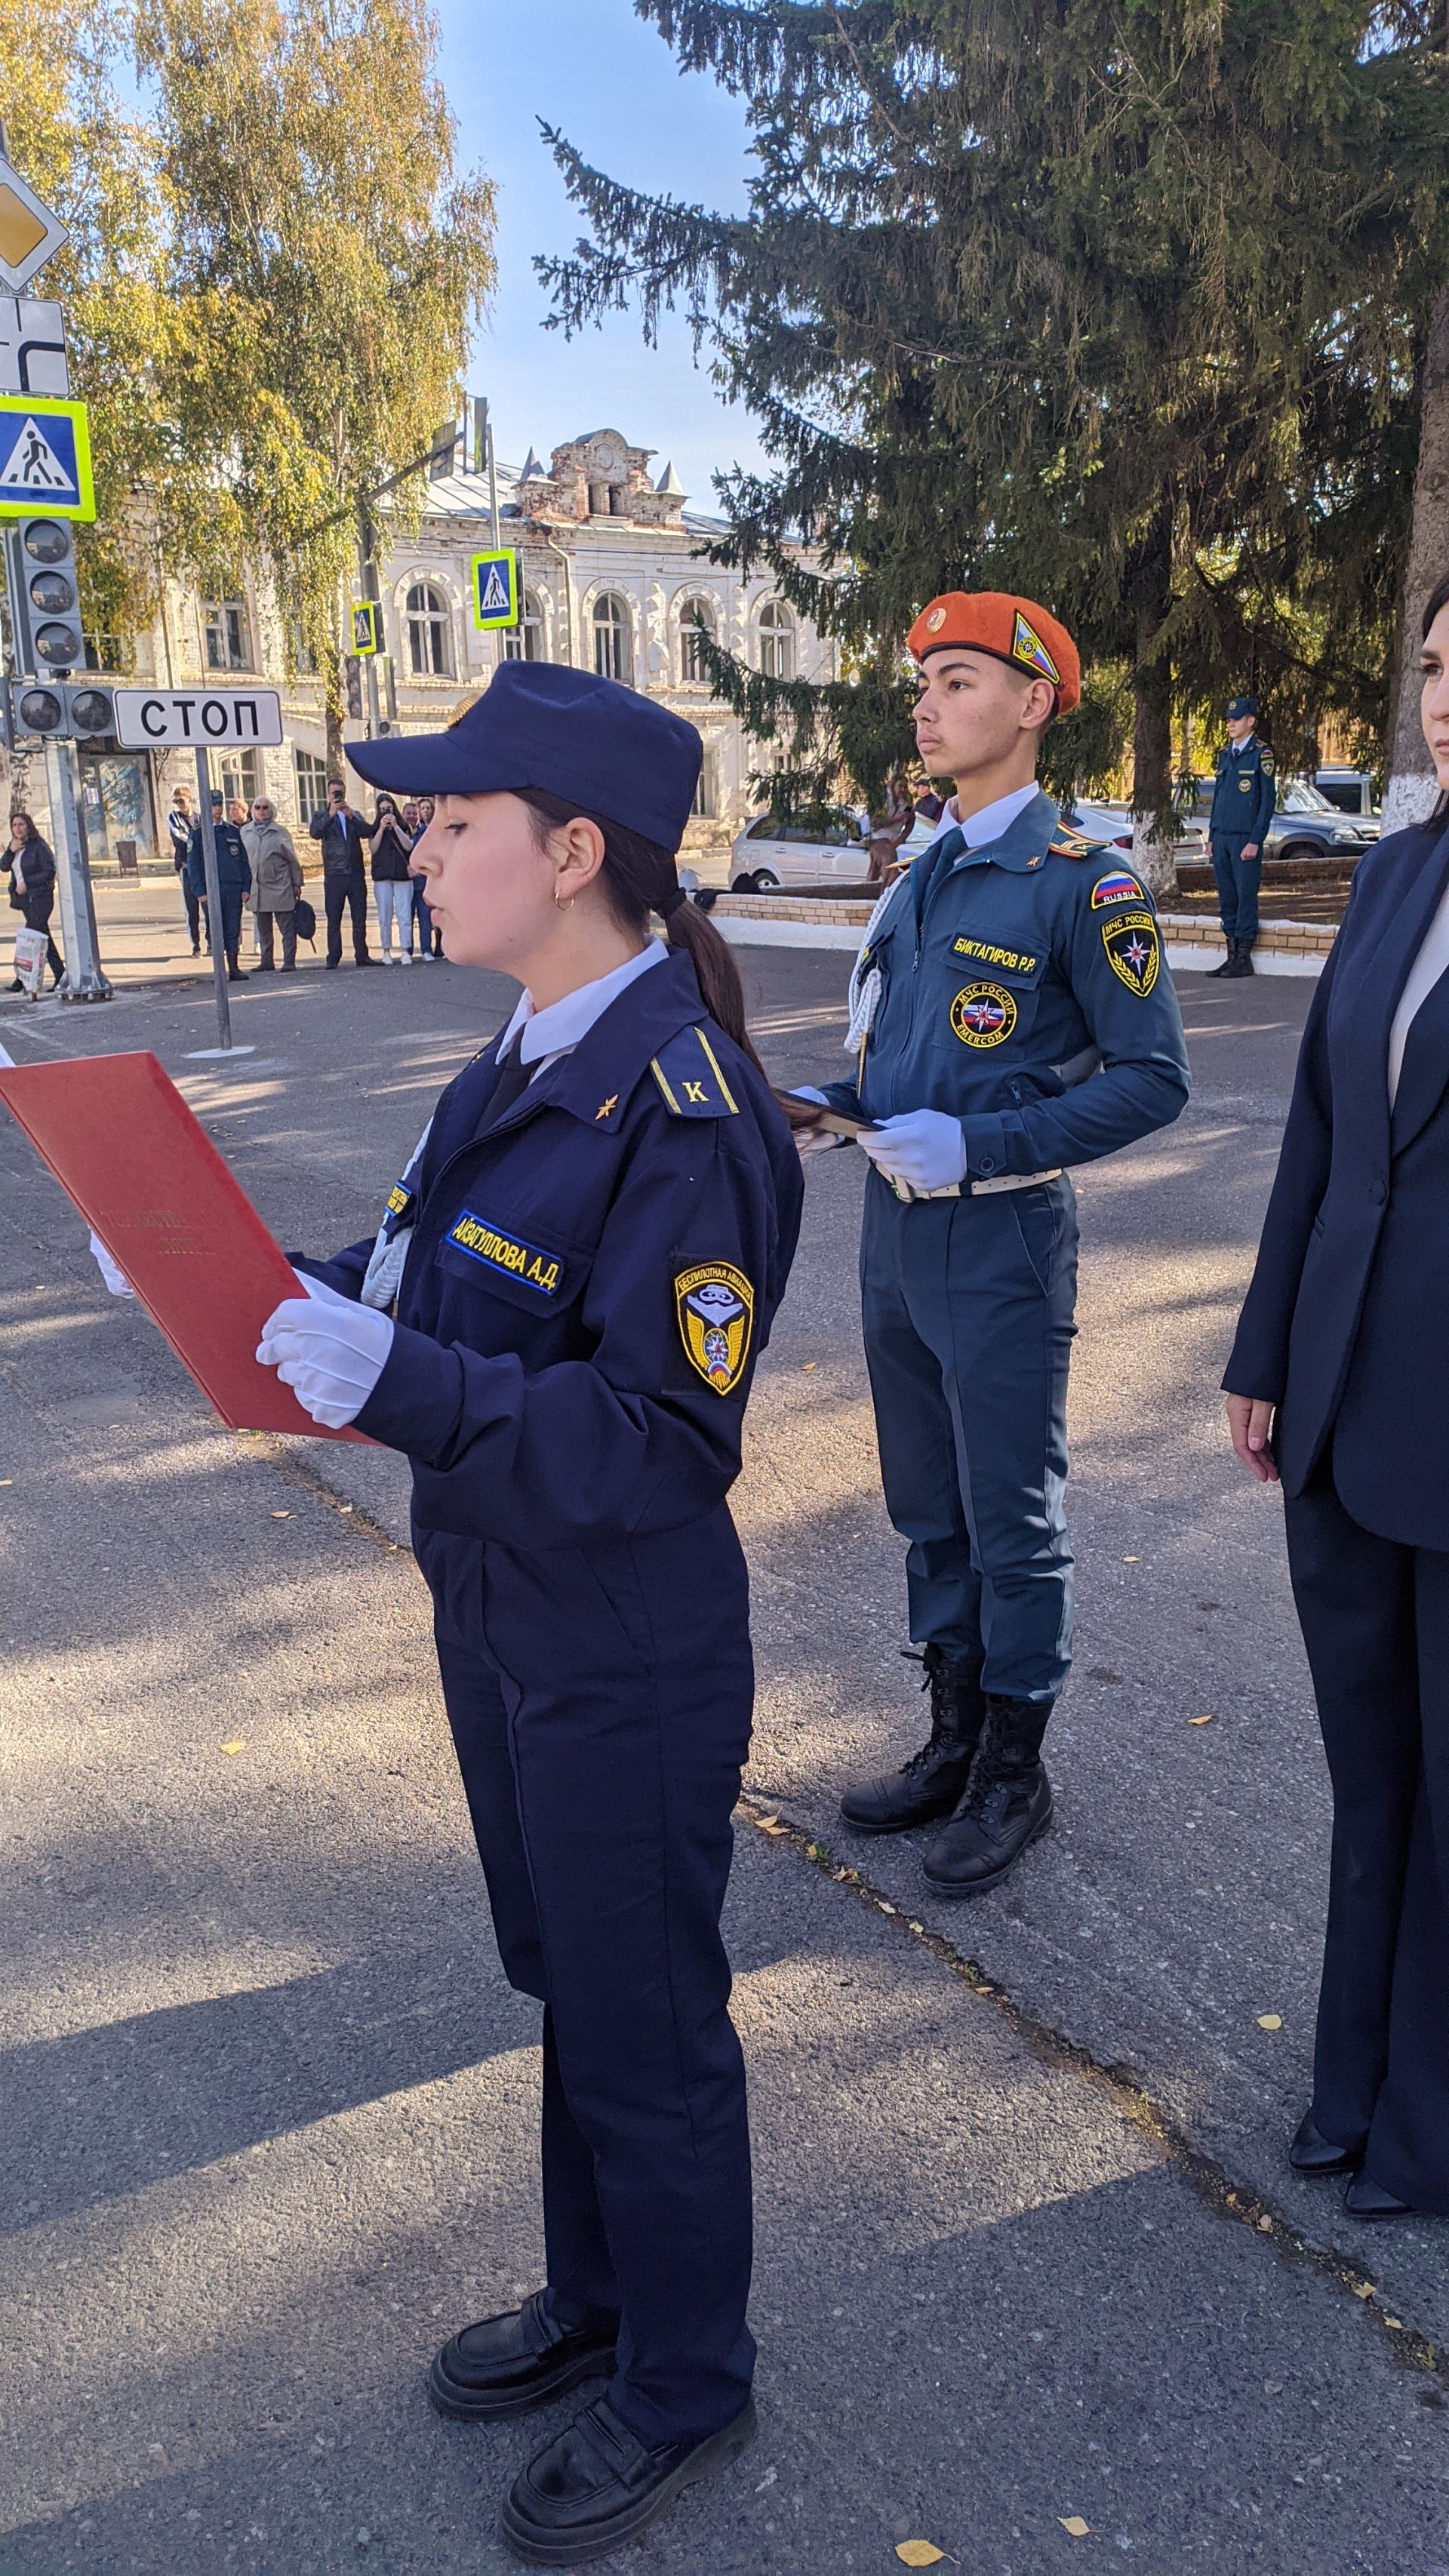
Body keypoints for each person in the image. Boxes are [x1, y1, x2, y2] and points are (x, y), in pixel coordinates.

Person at [254, 663, 802, 2562]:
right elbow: (409, 1273)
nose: (412, 850)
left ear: (572, 853)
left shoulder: (684, 1100)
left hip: (622, 1641)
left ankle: (683, 2372)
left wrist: (391, 1381)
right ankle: (600, 2297)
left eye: (450, 822)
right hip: (497, 1599)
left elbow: (660, 1437)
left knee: (644, 2017)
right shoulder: (518, 1046)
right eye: (419, 821)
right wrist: (239, 1280)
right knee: (571, 1978)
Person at [793, 592, 1190, 1897]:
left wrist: (986, 1147)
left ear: (1034, 704)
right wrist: (836, 1109)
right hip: (893, 1239)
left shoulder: (1084, 881)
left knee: (1012, 1516)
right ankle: (954, 1736)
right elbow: (899, 1049)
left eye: (959, 679)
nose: (927, 701)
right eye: (924, 679)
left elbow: (1151, 1080)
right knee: (928, 1505)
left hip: (1002, 1238)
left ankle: (1019, 1771)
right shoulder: (923, 874)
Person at [1223, 570, 1449, 2222]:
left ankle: (1431, 2130)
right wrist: (1262, 1352)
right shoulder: (1393, 877)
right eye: (1435, 663)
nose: (1444, 696)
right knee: (1374, 1767)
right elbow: (1318, 1131)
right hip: (1346, 1403)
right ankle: (1351, 2077)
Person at [1208, 694, 1276, 979]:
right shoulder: (1225, 754)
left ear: (1251, 721)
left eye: (1236, 719)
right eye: (1228, 719)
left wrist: (1255, 840)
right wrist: (1211, 836)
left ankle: (1243, 957)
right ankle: (1231, 955)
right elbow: (1219, 798)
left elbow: (1267, 801)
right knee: (1227, 897)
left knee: (1245, 896)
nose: (1230, 724)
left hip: (1244, 840)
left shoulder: (1261, 754)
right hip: (1222, 837)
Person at [185, 790, 251, 981]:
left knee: (233, 928)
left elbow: (243, 862)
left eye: (220, 804)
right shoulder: (198, 833)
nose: (218, 808)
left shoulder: (232, 831)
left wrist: (246, 887)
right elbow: (193, 865)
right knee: (216, 929)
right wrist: (199, 891)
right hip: (211, 890)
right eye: (214, 805)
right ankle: (219, 969)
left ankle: (234, 968)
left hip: (233, 888)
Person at [309, 777, 372, 968]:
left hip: (355, 874)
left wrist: (350, 815)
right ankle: (333, 957)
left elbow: (366, 831)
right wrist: (331, 814)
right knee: (334, 918)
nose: (337, 796)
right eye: (334, 793)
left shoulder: (354, 814)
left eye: (340, 793)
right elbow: (316, 833)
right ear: (328, 795)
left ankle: (362, 955)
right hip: (334, 875)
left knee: (359, 917)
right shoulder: (321, 815)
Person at [244, 796, 303, 971]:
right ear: (253, 810)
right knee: (263, 928)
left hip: (280, 885)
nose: (261, 811)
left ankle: (289, 961)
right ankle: (266, 961)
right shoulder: (246, 832)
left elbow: (293, 860)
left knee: (286, 926)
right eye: (257, 807)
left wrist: (297, 883)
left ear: (272, 811)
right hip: (257, 887)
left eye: (265, 807)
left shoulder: (280, 832)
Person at [5, 811, 64, 989]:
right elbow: (3, 866)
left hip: (41, 898)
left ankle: (21, 980)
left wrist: (28, 884)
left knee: (30, 937)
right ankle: (61, 974)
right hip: (25, 901)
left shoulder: (38, 846)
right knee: (43, 937)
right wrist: (10, 851)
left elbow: (49, 871)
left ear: (28, 825)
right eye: (15, 825)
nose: (18, 828)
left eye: (21, 824)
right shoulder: (14, 846)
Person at [365, 792, 416, 962]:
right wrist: (380, 828)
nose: (386, 812)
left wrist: (396, 827)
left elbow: (409, 846)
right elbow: (373, 848)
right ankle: (386, 950)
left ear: (394, 808)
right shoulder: (375, 828)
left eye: (388, 808)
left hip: (402, 876)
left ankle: (405, 950)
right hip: (382, 877)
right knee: (384, 915)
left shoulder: (403, 825)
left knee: (404, 914)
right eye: (382, 810)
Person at [166, 786, 200, 953]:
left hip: (201, 867)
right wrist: (197, 843)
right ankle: (196, 944)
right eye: (176, 801)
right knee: (191, 907)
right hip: (186, 866)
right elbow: (181, 839)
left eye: (181, 801)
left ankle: (210, 940)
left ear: (190, 800)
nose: (179, 804)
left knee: (208, 905)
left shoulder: (199, 818)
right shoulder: (174, 818)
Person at [410, 797, 443, 957]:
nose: (425, 811)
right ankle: (415, 949)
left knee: (433, 915)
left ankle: (436, 947)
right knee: (418, 916)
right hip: (416, 880)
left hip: (432, 878)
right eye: (422, 809)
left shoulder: (439, 829)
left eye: (428, 808)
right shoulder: (415, 831)